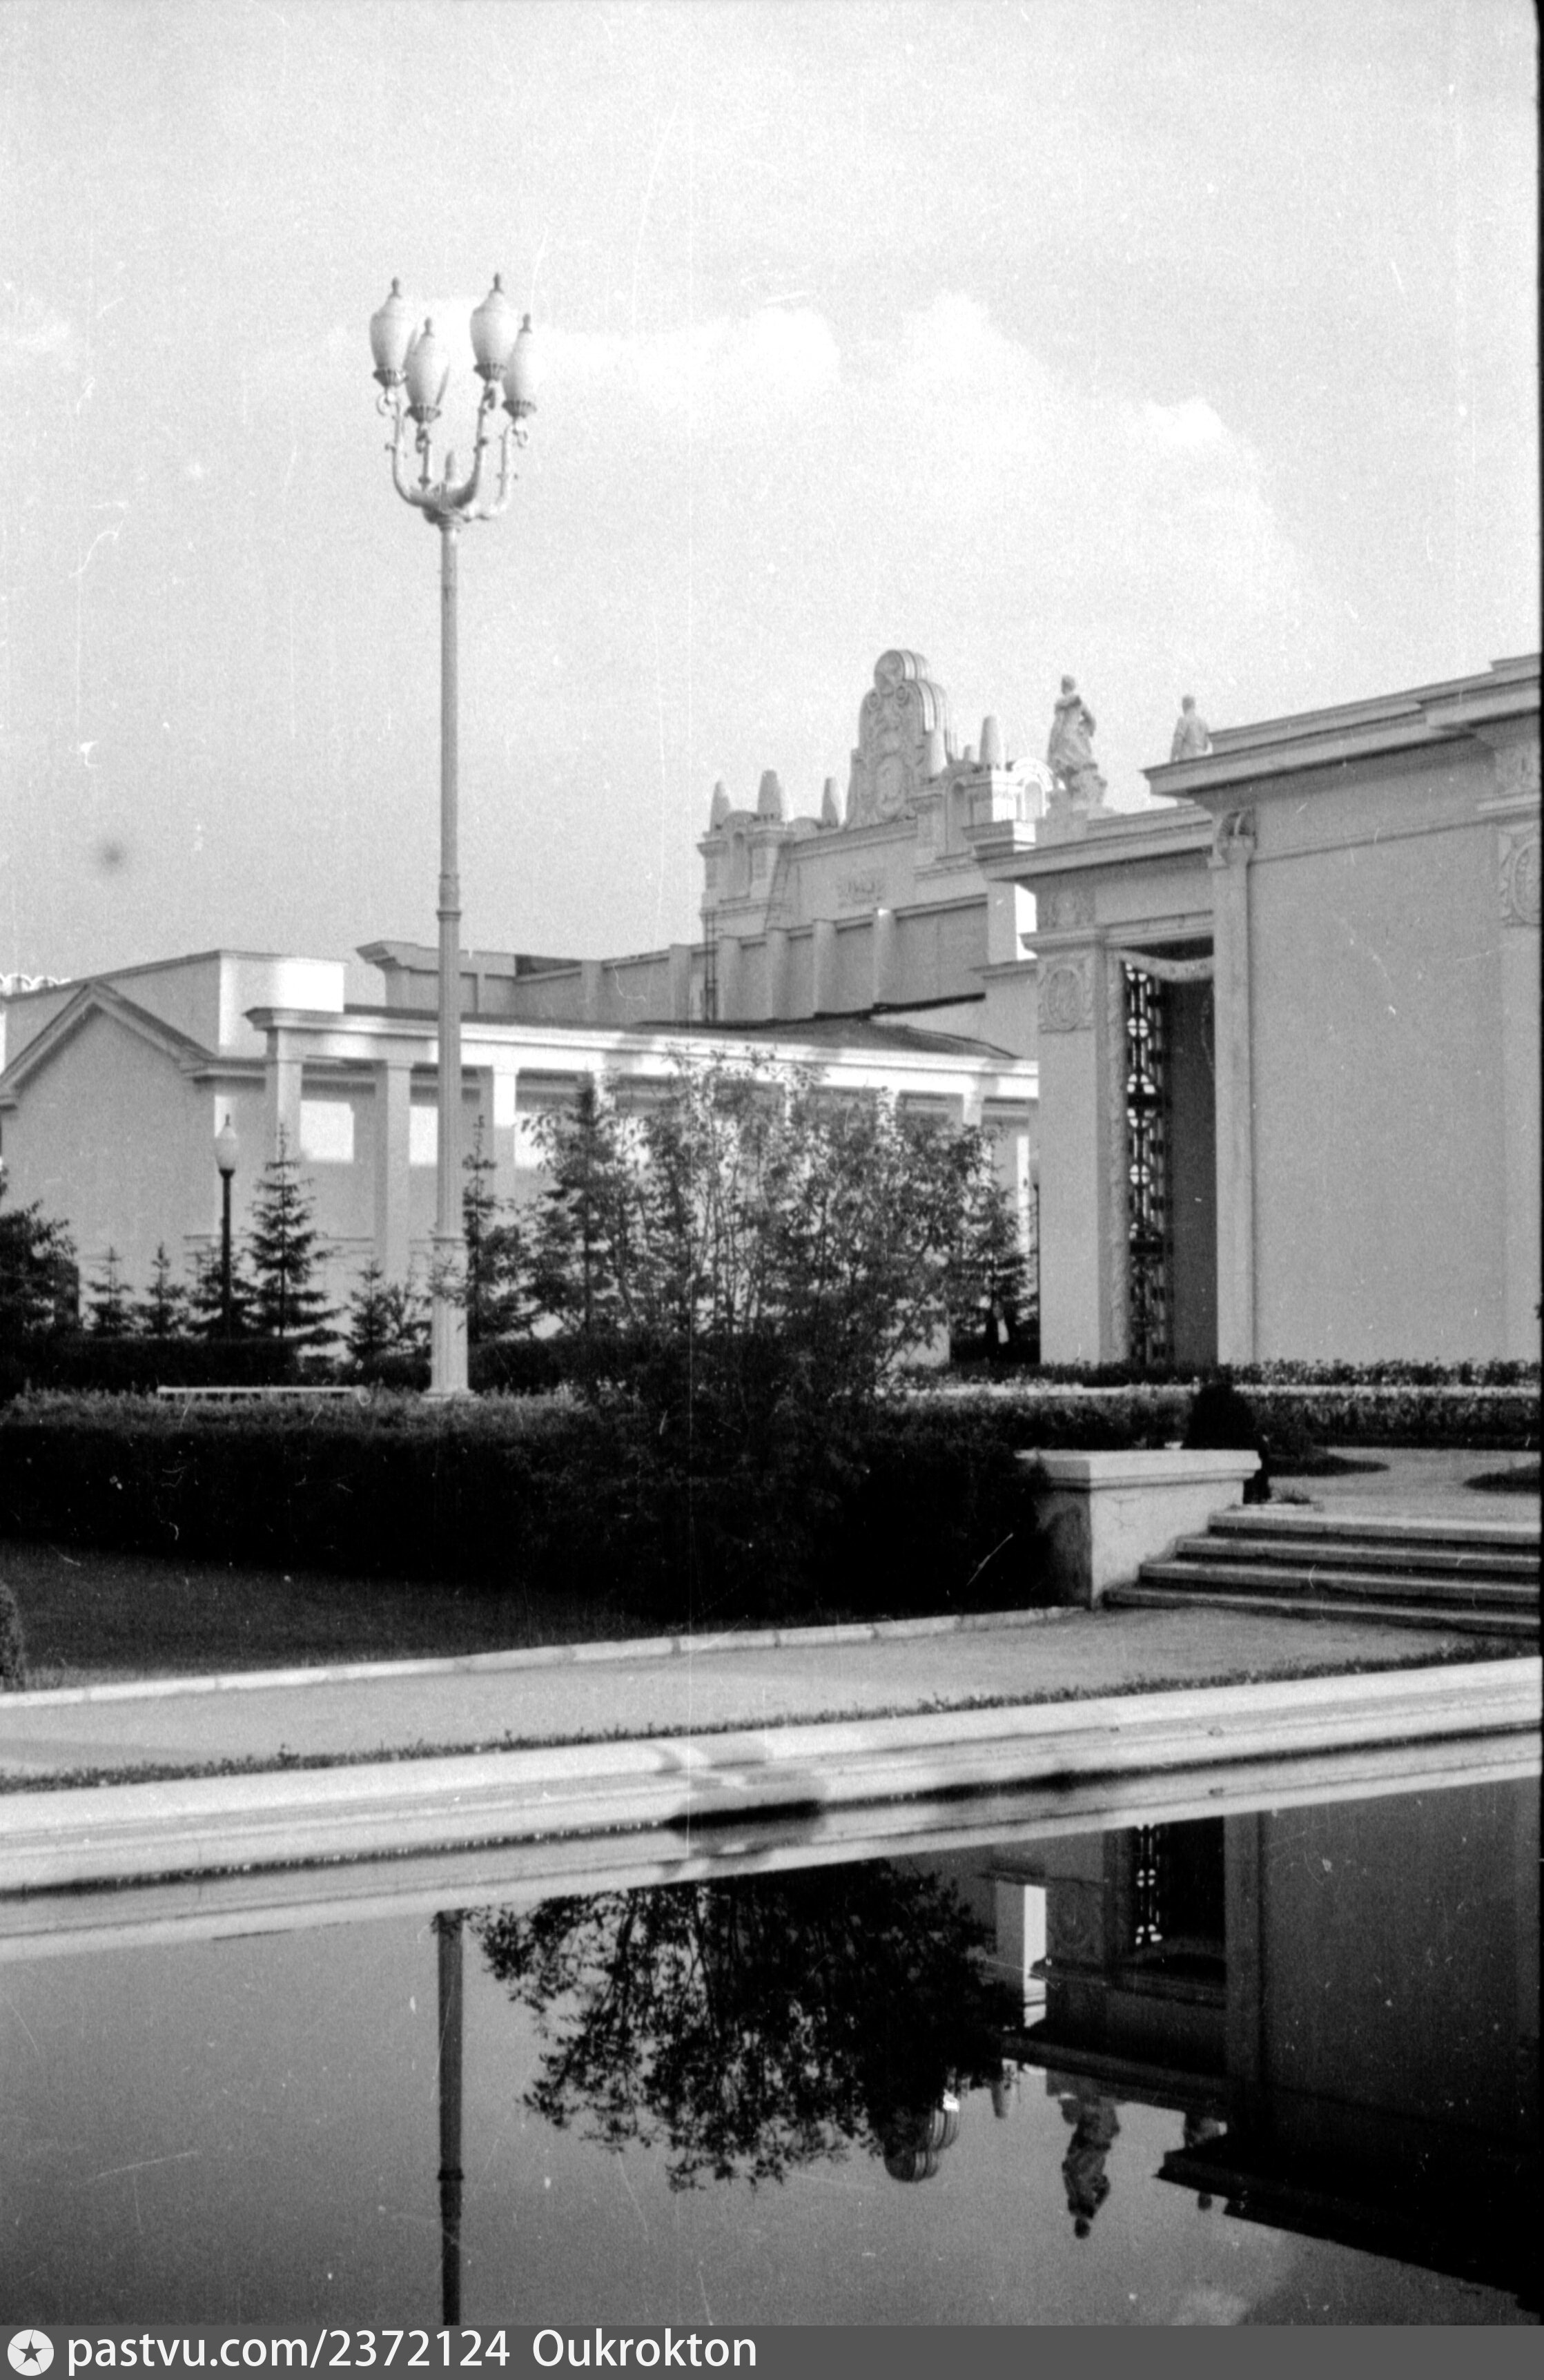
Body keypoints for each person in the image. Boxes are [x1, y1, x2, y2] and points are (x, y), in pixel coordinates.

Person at [1170, 694, 1211, 761]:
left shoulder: (1183, 720)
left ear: (1184, 706)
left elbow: (1178, 741)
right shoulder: (1204, 723)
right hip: (1201, 758)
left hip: (1187, 758)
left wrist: (1172, 760)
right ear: (1194, 706)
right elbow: (1206, 745)